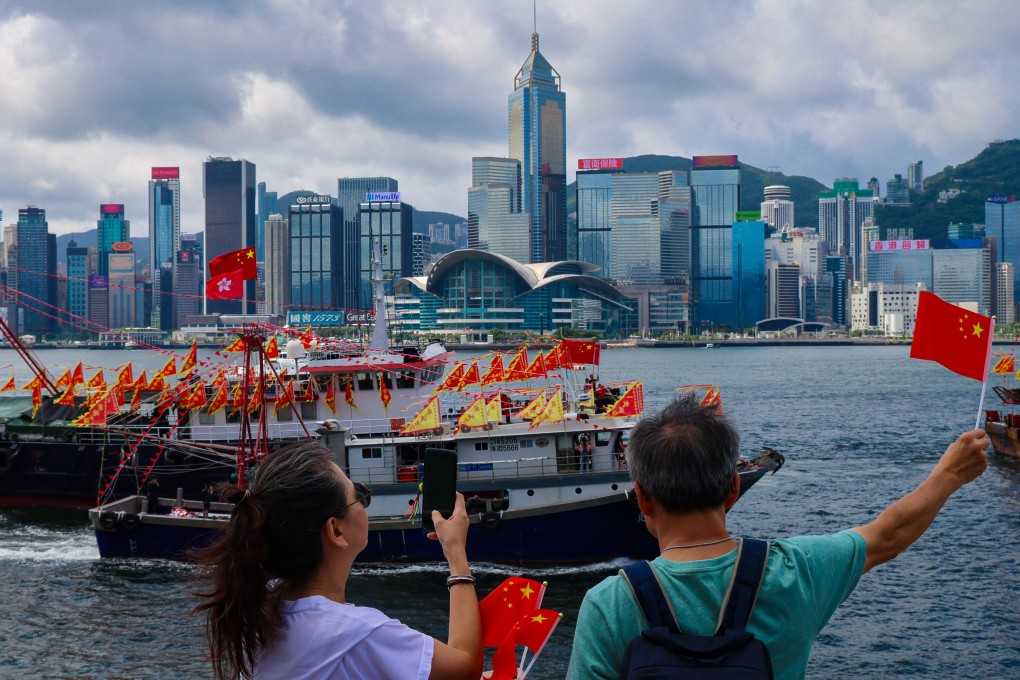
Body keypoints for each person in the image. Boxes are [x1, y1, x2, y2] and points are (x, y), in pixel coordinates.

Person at [566, 394, 988, 680]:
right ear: (733, 488)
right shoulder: (795, 570)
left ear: (642, 497)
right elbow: (889, 535)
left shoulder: (608, 605)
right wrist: (949, 474)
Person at [193, 440, 483, 680]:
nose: (363, 500)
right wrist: (456, 552)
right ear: (335, 529)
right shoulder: (358, 632)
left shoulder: (260, 609)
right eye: (357, 495)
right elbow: (466, 667)